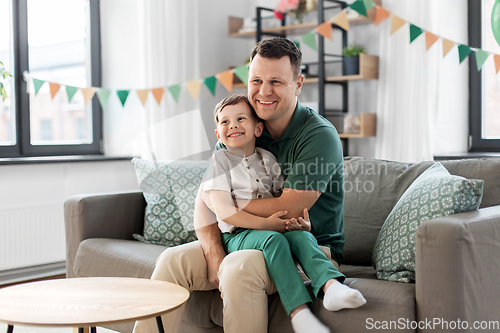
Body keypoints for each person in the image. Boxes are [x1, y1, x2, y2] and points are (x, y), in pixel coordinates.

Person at [133, 37, 361, 333]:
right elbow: (204, 201)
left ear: (298, 84)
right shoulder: (239, 129)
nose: (264, 91)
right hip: (241, 237)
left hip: (306, 244)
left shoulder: (319, 135)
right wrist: (214, 253)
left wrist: (225, 205)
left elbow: (287, 208)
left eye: (276, 82)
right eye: (256, 80)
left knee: (238, 267)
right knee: (172, 260)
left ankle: (318, 294)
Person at [203, 93, 365, 333]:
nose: (233, 125)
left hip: (269, 225)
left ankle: (331, 286)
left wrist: (300, 224)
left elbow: (281, 202)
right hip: (238, 233)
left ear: (259, 129)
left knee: (301, 237)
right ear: (218, 134)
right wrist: (268, 224)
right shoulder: (219, 159)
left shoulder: (268, 159)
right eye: (225, 122)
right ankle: (300, 314)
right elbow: (225, 213)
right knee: (274, 239)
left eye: (240, 119)